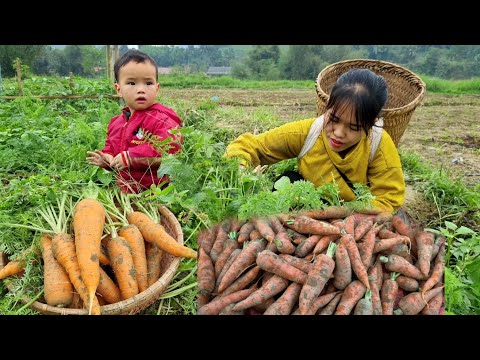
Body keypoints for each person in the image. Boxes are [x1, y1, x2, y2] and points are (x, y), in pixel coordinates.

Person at [225, 68, 405, 213]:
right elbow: (247, 146)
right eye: (334, 119)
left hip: (354, 218)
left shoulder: (379, 146)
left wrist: (344, 215)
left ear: (370, 124)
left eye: (354, 127)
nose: (339, 133)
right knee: (289, 180)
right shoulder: (308, 132)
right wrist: (240, 170)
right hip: (304, 205)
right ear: (328, 108)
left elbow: (389, 199)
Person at [86, 49, 182, 193]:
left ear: (157, 88)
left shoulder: (162, 119)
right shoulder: (116, 123)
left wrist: (131, 157)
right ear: (118, 89)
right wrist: (107, 159)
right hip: (126, 191)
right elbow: (111, 149)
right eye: (131, 83)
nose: (141, 89)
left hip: (158, 193)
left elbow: (170, 149)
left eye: (148, 83)